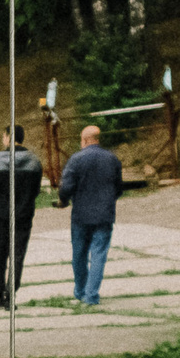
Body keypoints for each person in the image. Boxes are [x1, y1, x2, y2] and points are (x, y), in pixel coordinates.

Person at [59, 122, 124, 306]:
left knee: (79, 255)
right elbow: (119, 188)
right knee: (98, 255)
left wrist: (64, 200)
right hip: (104, 215)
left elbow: (66, 187)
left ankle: (80, 291)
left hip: (80, 216)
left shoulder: (76, 159)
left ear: (86, 140)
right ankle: (91, 296)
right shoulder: (112, 159)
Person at [0, 123, 44, 309]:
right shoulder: (34, 161)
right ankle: (11, 295)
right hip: (23, 216)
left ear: (8, 137)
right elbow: (36, 190)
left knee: (1, 254)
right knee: (17, 256)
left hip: (1, 215)